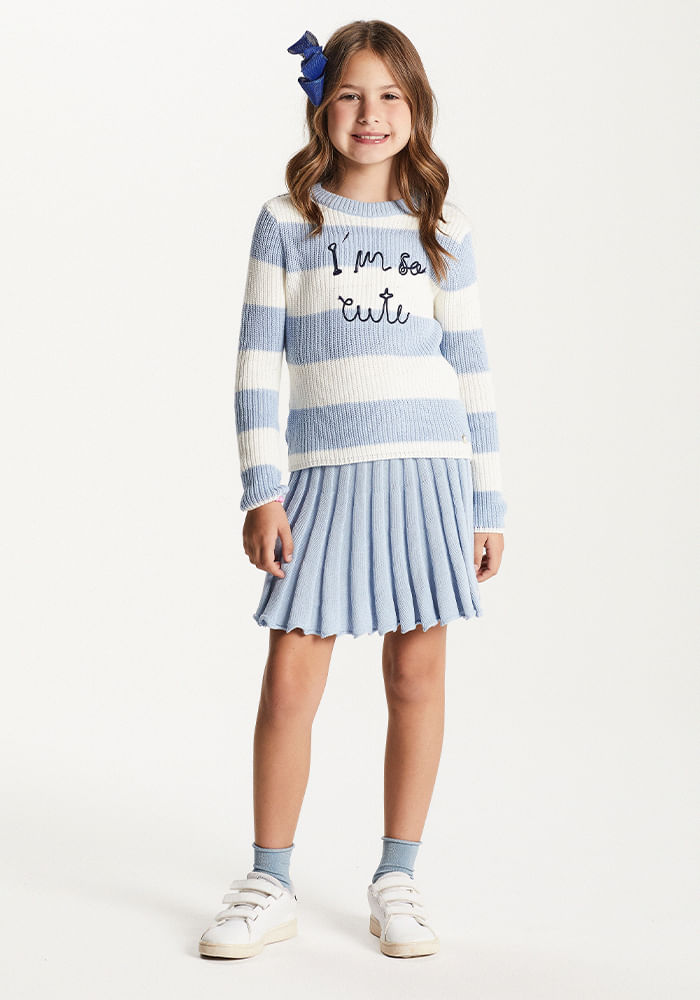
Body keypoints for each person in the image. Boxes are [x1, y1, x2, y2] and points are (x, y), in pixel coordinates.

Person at [199, 20, 507, 961]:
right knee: (291, 679)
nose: (370, 115)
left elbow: (472, 370)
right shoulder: (288, 224)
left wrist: (488, 503)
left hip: (429, 477)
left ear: (416, 111)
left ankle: (397, 878)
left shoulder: (442, 230)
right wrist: (262, 488)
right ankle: (269, 881)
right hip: (322, 483)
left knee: (416, 678)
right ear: (321, 107)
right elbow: (257, 361)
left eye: (390, 98)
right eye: (350, 96)